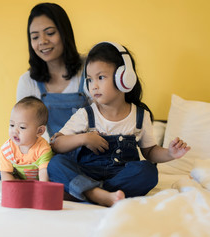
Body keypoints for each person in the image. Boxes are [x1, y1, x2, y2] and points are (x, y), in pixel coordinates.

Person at [48, 42, 191, 207]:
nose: (93, 85)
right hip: (87, 173)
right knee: (55, 164)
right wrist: (84, 138)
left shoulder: (140, 115)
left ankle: (90, 193)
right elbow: (56, 144)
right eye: (89, 79)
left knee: (148, 171)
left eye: (101, 77)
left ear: (124, 78)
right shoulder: (86, 114)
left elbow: (150, 152)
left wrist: (170, 153)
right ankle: (98, 193)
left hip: (121, 174)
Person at [0, 2, 91, 178]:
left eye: (50, 33)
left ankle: (67, 180)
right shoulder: (28, 81)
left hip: (85, 153)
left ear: (64, 33)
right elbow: (24, 130)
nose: (42, 42)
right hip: (45, 156)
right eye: (35, 37)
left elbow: (103, 117)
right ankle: (61, 180)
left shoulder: (88, 70)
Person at [0, 96, 53, 181]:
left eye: (22, 127)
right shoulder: (7, 149)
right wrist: (13, 188)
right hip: (18, 179)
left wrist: (41, 189)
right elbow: (5, 172)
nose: (15, 130)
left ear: (39, 131)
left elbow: (43, 173)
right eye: (12, 125)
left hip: (36, 180)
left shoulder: (43, 149)